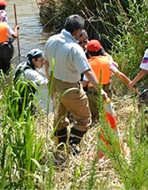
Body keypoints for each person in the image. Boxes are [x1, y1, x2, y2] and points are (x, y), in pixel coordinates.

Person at [43, 14, 108, 156]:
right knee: (84, 119)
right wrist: (100, 90)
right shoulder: (75, 48)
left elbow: (46, 62)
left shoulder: (51, 40)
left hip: (54, 83)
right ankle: (72, 146)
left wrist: (50, 81)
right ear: (78, 31)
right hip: (70, 87)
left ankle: (60, 147)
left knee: (60, 117)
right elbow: (88, 71)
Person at [84, 39, 127, 123]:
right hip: (107, 94)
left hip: (93, 96)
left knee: (95, 119)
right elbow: (119, 74)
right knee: (107, 117)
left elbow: (84, 83)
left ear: (88, 53)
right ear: (100, 50)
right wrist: (130, 83)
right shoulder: (108, 61)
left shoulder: (88, 64)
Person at [13, 49, 48, 114]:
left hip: (14, 99)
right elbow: (45, 84)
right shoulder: (31, 73)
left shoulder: (22, 65)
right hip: (23, 104)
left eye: (44, 60)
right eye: (41, 60)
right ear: (33, 60)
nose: (43, 62)